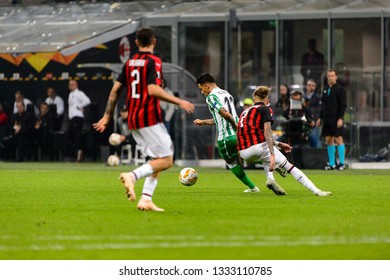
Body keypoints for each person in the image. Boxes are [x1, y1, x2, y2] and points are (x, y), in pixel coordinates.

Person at [93, 27, 194, 212]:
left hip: (133, 118)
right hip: (148, 116)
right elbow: (153, 90)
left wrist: (106, 116)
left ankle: (146, 199)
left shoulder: (130, 62)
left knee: (157, 158)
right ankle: (132, 176)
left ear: (137, 43)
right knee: (167, 160)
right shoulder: (154, 61)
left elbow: (115, 90)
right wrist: (179, 101)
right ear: (154, 42)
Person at [194, 73, 286, 195]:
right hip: (240, 134)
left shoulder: (210, 97)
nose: (202, 92)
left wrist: (234, 125)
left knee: (231, 162)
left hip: (226, 137)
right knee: (247, 154)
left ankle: (253, 187)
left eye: (201, 89)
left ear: (206, 86)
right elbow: (221, 118)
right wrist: (204, 122)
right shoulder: (226, 93)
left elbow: (225, 114)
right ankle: (273, 164)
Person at [237, 85, 332, 197]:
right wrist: (272, 154)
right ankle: (317, 191)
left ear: (254, 99)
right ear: (266, 99)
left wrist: (278, 144)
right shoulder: (265, 109)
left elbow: (253, 134)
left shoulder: (245, 112)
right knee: (289, 166)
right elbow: (267, 133)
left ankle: (270, 179)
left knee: (265, 158)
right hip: (258, 148)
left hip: (243, 152)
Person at [316, 69, 347, 170]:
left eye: (332, 76)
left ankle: (342, 163)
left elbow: (343, 105)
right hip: (327, 119)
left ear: (336, 77)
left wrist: (341, 118)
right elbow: (323, 106)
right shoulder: (325, 89)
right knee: (328, 139)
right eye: (329, 76)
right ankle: (332, 163)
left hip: (336, 118)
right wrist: (320, 118)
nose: (330, 77)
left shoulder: (340, 89)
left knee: (338, 139)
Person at [66, 79, 91, 162]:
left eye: (72, 85)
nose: (70, 86)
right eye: (69, 85)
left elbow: (87, 101)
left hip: (77, 117)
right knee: (71, 136)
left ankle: (79, 152)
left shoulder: (78, 93)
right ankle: (78, 152)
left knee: (73, 136)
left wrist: (80, 106)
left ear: (76, 85)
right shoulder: (71, 94)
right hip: (72, 117)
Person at [304, 79, 322, 148]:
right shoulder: (303, 97)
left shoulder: (317, 98)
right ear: (306, 86)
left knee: (315, 141)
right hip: (305, 122)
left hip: (314, 123)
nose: (311, 87)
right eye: (309, 85)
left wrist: (314, 120)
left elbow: (319, 111)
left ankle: (318, 157)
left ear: (315, 87)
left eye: (313, 85)